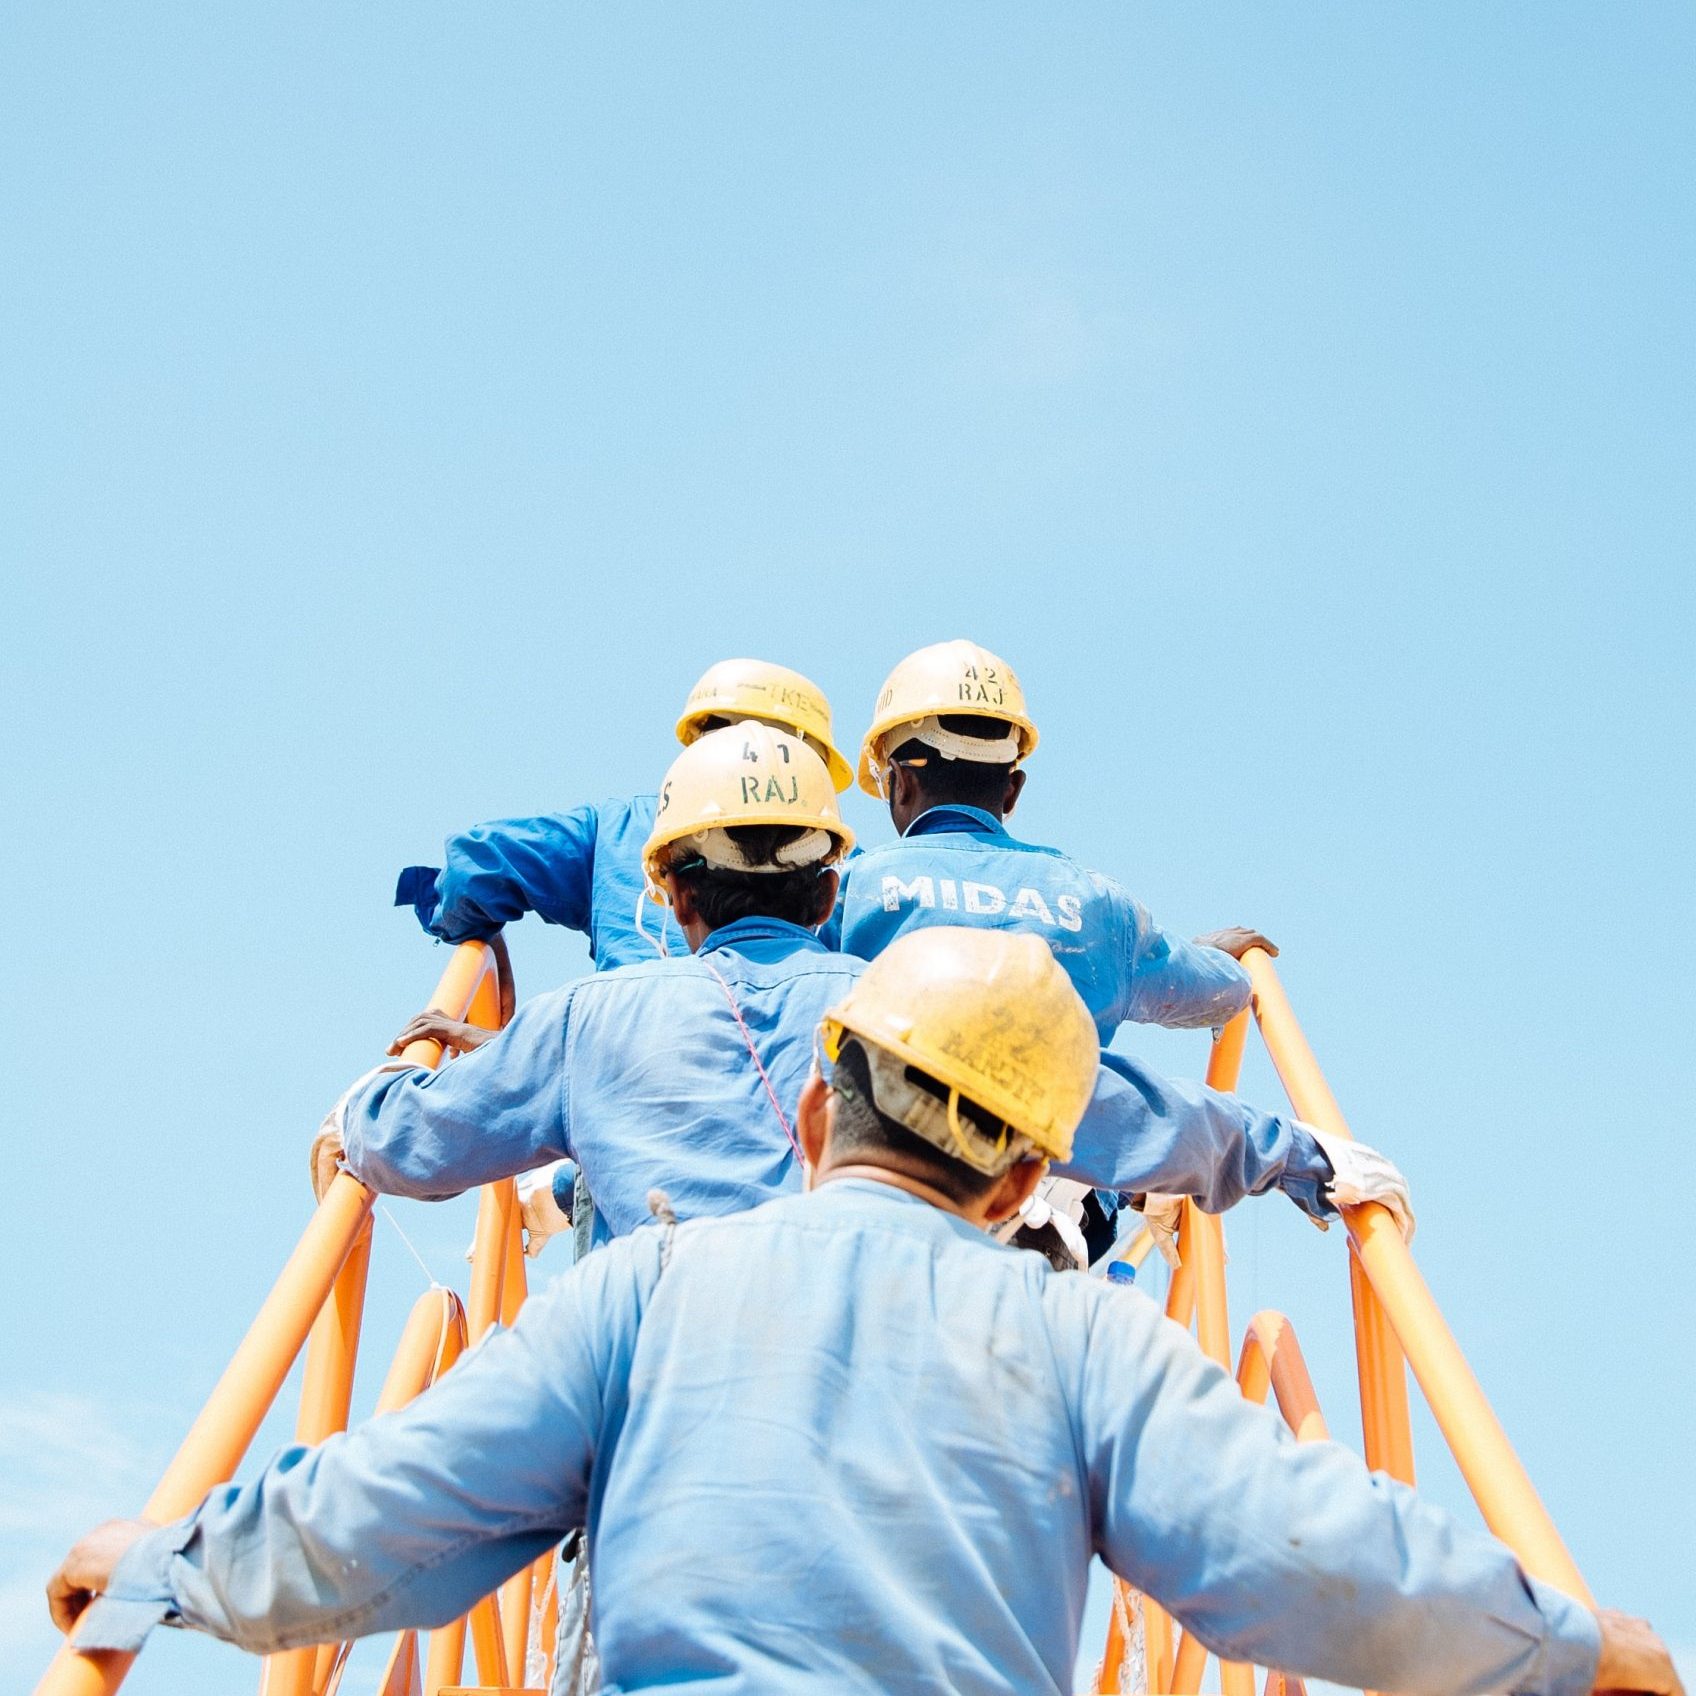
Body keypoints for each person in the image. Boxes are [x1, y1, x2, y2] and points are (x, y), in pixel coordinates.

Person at [50, 929, 1677, 1696]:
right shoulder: (1088, 1337)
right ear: (1021, 1178)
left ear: (818, 1113)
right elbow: (1305, 1554)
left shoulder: (639, 1295)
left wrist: (149, 1579)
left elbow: (383, 1522)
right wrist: (1563, 1645)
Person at [836, 637, 1275, 1260]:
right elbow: (1217, 994)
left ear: (898, 783)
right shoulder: (1098, 905)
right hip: (1052, 1206)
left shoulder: (848, 890)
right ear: (1011, 790)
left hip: (884, 1209)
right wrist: (1220, 957)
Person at [394, 656, 855, 970]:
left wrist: (477, 933)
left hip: (619, 1071)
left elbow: (476, 866)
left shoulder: (615, 832)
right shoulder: (839, 865)